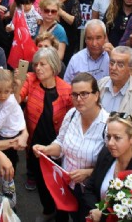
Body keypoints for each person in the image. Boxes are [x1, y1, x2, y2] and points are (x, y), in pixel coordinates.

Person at [32, 73, 109, 222]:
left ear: (96, 95)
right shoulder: (72, 114)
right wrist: (47, 149)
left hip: (89, 191)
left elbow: (112, 166)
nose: (79, 99)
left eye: (84, 94)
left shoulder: (107, 125)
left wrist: (87, 172)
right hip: (65, 184)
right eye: (74, 95)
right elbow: (60, 143)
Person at [15, 47, 73, 217]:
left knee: (58, 185)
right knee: (41, 182)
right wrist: (17, 85)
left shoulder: (66, 90)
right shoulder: (30, 79)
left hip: (57, 147)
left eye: (42, 64)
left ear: (54, 67)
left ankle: (60, 215)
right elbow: (17, 100)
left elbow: (72, 119)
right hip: (35, 146)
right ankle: (48, 211)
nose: (37, 68)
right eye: (36, 64)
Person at [82, 112, 132, 222]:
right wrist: (96, 210)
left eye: (117, 138)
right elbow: (89, 188)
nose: (110, 143)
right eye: (108, 137)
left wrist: (102, 216)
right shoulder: (105, 154)